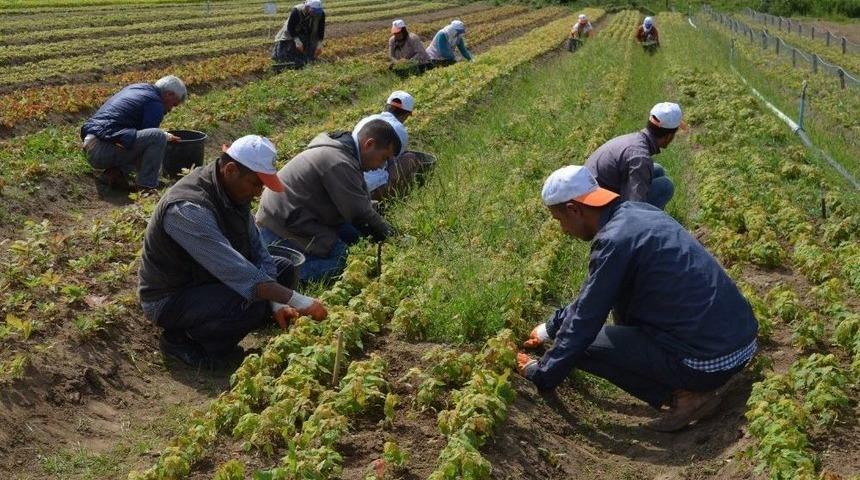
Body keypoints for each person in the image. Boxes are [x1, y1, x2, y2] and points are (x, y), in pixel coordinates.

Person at [517, 165, 758, 432]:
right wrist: (550, 326)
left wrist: (541, 374)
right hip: (741, 343)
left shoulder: (614, 240)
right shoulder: (638, 213)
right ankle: (689, 389)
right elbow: (592, 297)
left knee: (579, 345)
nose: (563, 230)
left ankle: (687, 397)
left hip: (710, 362)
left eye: (559, 220)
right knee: (588, 328)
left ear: (574, 209)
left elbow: (584, 322)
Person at [138, 135, 328, 367]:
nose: (259, 193)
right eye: (256, 183)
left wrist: (278, 303)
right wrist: (298, 300)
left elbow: (259, 251)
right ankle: (181, 340)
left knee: (284, 268)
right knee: (252, 302)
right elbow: (238, 273)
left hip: (208, 278)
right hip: (173, 296)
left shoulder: (233, 192)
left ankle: (260, 313)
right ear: (230, 170)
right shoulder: (188, 209)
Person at [255, 116, 406, 283]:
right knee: (345, 262)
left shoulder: (344, 154)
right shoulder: (339, 162)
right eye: (384, 158)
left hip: (299, 215)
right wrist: (393, 237)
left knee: (355, 237)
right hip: (282, 225)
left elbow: (358, 202)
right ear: (369, 144)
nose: (382, 166)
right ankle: (285, 275)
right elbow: (360, 215)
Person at [80, 75, 186, 192]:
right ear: (169, 94)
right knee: (158, 137)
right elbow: (149, 141)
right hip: (101, 150)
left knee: (143, 138)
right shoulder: (155, 103)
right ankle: (147, 187)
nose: (171, 109)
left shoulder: (138, 88)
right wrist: (165, 137)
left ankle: (113, 174)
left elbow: (136, 137)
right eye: (174, 104)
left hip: (93, 145)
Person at [584, 102, 684, 210]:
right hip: (596, 209)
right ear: (669, 136)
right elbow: (635, 205)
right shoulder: (640, 158)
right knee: (666, 186)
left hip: (590, 196)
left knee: (658, 170)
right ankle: (650, 223)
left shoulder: (635, 140)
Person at [362, 91, 431, 201]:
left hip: (354, 184)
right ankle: (398, 199)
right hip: (373, 190)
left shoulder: (366, 120)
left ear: (386, 106)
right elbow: (393, 162)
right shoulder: (399, 130)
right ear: (407, 114)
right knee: (410, 159)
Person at [272, 0, 326, 70]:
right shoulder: (297, 11)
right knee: (285, 53)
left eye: (318, 11)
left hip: (306, 33)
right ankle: (287, 64)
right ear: (308, 7)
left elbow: (321, 29)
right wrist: (297, 41)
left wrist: (319, 44)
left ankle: (305, 63)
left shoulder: (320, 14)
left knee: (309, 51)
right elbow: (290, 27)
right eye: (314, 11)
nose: (316, 13)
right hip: (291, 33)